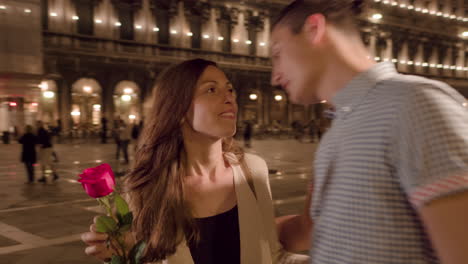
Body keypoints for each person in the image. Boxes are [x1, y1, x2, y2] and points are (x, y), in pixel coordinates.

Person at [270, 1, 468, 263]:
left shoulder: (414, 104)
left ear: (313, 29)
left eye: (277, 54)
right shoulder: (338, 130)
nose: (275, 76)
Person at [81, 59, 310, 264]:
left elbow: (271, 255)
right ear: (178, 109)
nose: (229, 97)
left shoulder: (253, 171)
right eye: (211, 89)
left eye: (229, 89)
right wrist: (121, 254)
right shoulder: (146, 191)